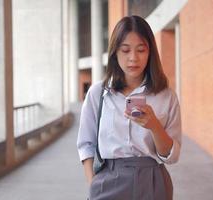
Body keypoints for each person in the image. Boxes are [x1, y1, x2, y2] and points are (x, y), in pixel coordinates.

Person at [77, 15, 182, 200]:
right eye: (125, 50)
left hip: (153, 181)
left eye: (141, 50)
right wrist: (93, 183)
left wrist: (154, 126)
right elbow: (86, 144)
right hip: (108, 181)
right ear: (114, 53)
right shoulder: (97, 93)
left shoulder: (166, 96)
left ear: (150, 53)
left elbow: (171, 157)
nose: (133, 58)